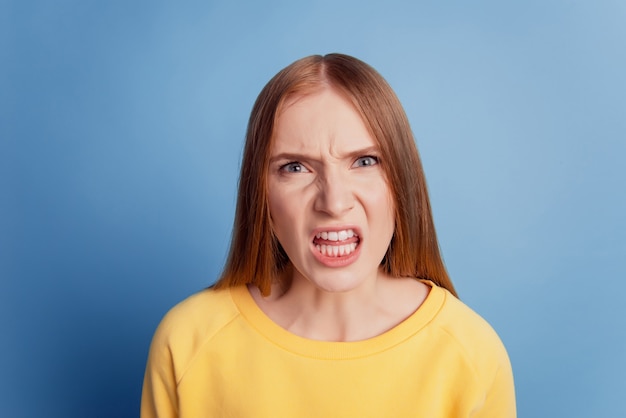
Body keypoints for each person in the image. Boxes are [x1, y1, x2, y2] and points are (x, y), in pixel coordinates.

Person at [140, 53, 516, 417]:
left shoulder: (471, 352)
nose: (333, 202)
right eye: (295, 167)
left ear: (402, 183)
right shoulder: (188, 342)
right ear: (262, 196)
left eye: (365, 161)